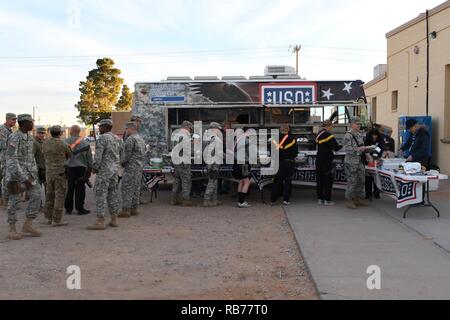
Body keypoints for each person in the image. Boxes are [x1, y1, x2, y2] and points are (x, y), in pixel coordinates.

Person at [4, 114, 42, 240]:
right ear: (24, 123)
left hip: (30, 175)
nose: (33, 124)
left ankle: (28, 225)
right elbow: (11, 159)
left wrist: (34, 174)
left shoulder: (30, 138)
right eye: (31, 122)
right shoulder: (14, 137)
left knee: (36, 196)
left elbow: (31, 158)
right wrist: (23, 178)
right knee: (13, 202)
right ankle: (12, 228)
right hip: (16, 176)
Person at [88, 119, 122, 230]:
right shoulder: (116, 138)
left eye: (100, 127)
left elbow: (98, 156)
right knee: (112, 195)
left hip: (104, 171)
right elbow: (121, 153)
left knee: (100, 194)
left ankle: (100, 221)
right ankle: (114, 219)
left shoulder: (103, 138)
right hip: (114, 171)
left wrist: (94, 168)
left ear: (105, 127)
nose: (99, 129)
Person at [42, 125, 72, 226]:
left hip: (49, 172)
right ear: (60, 133)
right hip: (60, 173)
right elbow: (70, 155)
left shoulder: (45, 143)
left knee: (49, 194)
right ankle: (57, 220)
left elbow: (44, 154)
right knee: (60, 195)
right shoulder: (63, 143)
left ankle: (48, 217)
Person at [118, 122, 146, 218]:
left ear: (130, 129)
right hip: (139, 167)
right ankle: (134, 208)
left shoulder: (131, 139)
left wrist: (121, 163)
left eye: (126, 129)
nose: (125, 131)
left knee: (126, 188)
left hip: (131, 168)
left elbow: (126, 155)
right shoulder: (140, 138)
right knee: (136, 188)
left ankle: (126, 210)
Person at [342, 116, 371, 209]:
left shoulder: (359, 134)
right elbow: (347, 149)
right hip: (350, 162)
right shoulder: (348, 135)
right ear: (352, 124)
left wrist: (368, 155)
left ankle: (357, 198)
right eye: (357, 124)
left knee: (361, 180)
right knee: (352, 181)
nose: (359, 125)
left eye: (359, 124)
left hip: (359, 161)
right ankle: (349, 200)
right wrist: (359, 149)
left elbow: (362, 146)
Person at [65, 125, 93, 215]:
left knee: (69, 188)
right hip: (81, 169)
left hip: (68, 169)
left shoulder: (64, 142)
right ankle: (80, 208)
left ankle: (68, 208)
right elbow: (89, 159)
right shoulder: (85, 143)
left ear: (70, 131)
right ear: (79, 132)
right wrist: (89, 170)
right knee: (80, 188)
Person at [316, 120, 343, 206]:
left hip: (319, 159)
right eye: (331, 126)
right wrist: (343, 145)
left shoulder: (318, 134)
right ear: (328, 126)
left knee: (320, 180)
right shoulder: (329, 136)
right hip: (326, 161)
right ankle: (327, 200)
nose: (332, 128)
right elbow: (336, 148)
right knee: (327, 181)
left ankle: (320, 199)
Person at [270, 124, 298, 206]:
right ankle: (286, 200)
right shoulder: (292, 140)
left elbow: (271, 152)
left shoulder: (274, 139)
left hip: (278, 163)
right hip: (288, 163)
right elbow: (295, 153)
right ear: (288, 130)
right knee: (287, 181)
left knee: (276, 182)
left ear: (280, 129)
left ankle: (273, 200)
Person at [171, 121, 194, 207]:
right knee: (186, 180)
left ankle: (174, 199)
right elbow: (188, 151)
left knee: (177, 180)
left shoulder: (176, 135)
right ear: (188, 128)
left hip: (176, 161)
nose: (190, 131)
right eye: (190, 129)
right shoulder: (185, 136)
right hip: (183, 162)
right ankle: (185, 200)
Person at [203, 122, 224, 207]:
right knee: (212, 182)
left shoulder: (207, 138)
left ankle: (214, 200)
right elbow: (218, 152)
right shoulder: (216, 139)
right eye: (218, 129)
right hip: (214, 163)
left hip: (209, 162)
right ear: (215, 129)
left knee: (214, 181)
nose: (219, 131)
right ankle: (207, 200)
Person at [0, 113, 17, 207]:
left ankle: (7, 200)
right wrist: (14, 145)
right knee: (6, 179)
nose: (15, 121)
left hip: (10, 158)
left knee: (9, 178)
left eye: (15, 120)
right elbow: (3, 145)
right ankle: (5, 201)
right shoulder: (2, 130)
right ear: (7, 120)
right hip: (5, 158)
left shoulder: (9, 130)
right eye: (13, 120)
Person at [234, 127, 252, 208]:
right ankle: (242, 201)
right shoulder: (245, 140)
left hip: (237, 163)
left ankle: (239, 201)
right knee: (247, 181)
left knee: (241, 181)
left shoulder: (235, 141)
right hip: (243, 163)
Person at [364, 128, 385, 200]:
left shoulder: (380, 140)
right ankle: (368, 193)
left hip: (377, 160)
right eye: (373, 135)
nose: (374, 136)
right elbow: (365, 150)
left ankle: (376, 193)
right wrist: (369, 157)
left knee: (376, 177)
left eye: (376, 135)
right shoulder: (367, 140)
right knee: (368, 178)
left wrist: (379, 157)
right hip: (368, 160)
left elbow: (381, 149)